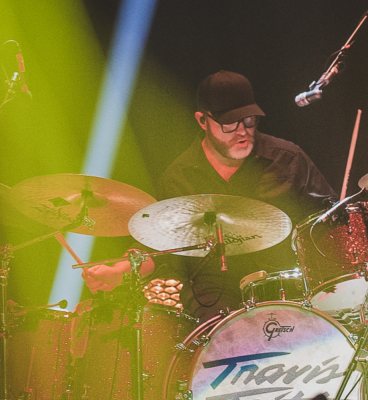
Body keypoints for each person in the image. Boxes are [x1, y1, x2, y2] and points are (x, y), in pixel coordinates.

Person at [82, 71, 334, 321]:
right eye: (229, 124)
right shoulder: (179, 178)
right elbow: (157, 248)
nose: (242, 131)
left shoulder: (287, 158)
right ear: (202, 120)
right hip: (214, 292)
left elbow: (329, 217)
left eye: (249, 120)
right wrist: (119, 272)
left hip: (284, 282)